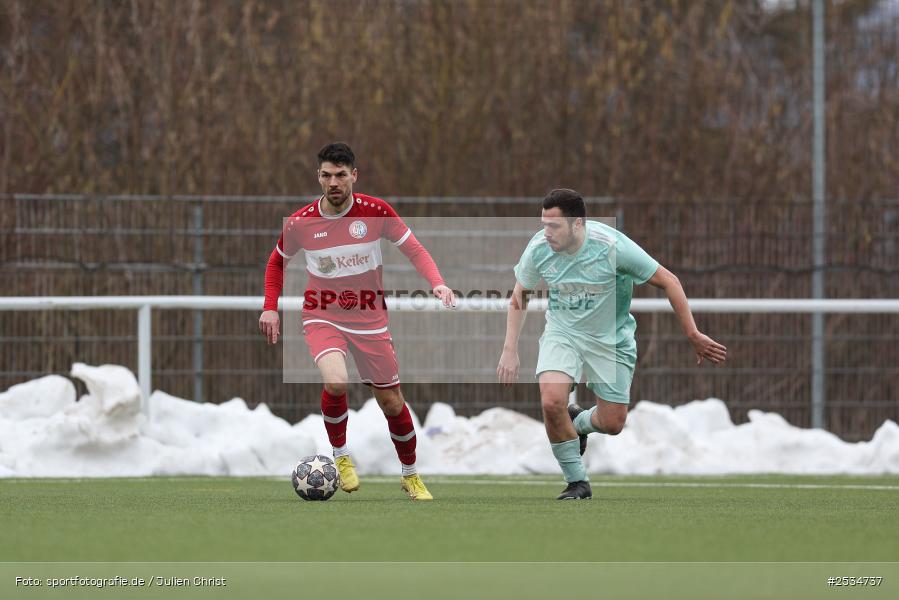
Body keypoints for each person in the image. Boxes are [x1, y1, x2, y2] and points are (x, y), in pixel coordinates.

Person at [497, 189, 727, 499]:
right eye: (544, 224)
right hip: (563, 333)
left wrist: (693, 334)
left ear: (578, 224)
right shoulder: (539, 248)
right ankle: (577, 482)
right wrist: (509, 349)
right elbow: (519, 295)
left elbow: (669, 281)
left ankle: (578, 423)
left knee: (613, 422)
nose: (546, 232)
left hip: (611, 339)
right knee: (551, 401)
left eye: (554, 226)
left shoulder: (612, 247)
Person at [260, 142, 455, 501]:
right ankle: (341, 456)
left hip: (370, 320)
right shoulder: (302, 222)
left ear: (354, 176)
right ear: (318, 177)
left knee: (392, 402)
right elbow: (275, 263)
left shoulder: (375, 212)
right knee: (336, 382)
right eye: (326, 175)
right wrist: (270, 306)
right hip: (322, 315)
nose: (333, 182)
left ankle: (410, 475)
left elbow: (414, 248)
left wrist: (437, 282)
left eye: (340, 175)